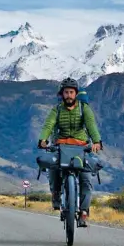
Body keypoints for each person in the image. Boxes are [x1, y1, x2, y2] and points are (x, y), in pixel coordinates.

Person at [38, 77, 102, 226]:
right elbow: (48, 125)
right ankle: (56, 196)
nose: (68, 95)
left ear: (76, 94)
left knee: (86, 179)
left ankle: (84, 211)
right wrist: (43, 139)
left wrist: (97, 142)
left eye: (71, 92)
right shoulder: (57, 109)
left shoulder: (84, 108)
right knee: (53, 172)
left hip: (81, 148)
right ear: (62, 94)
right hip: (60, 146)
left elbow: (91, 125)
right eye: (66, 92)